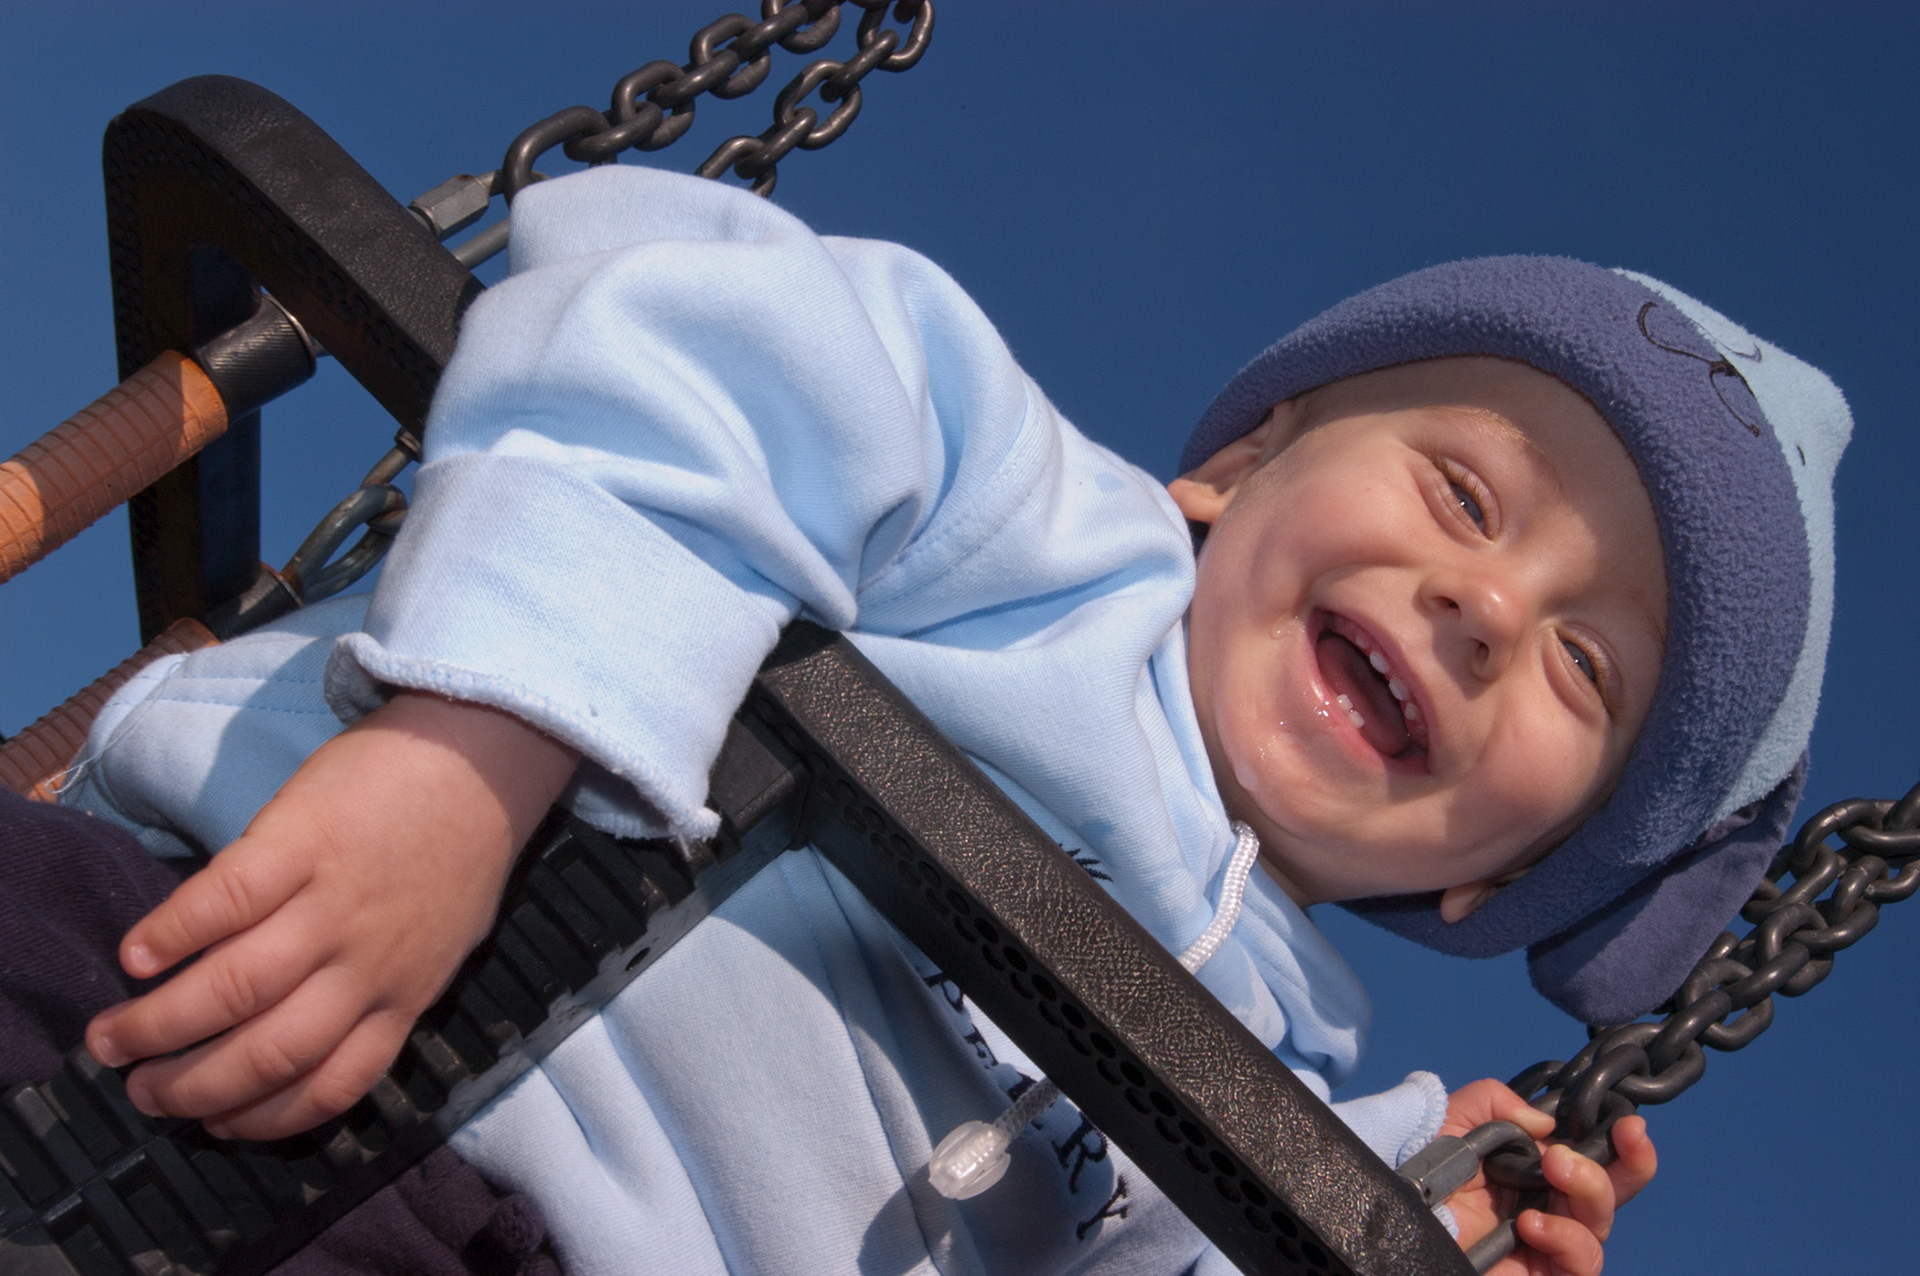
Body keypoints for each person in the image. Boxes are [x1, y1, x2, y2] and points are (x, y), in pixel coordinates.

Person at [60, 164, 1846, 1275]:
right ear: (1239, 465)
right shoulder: (1011, 509)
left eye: (1580, 672)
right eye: (1466, 494)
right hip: (222, 974)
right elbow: (701, 331)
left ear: (1505, 882)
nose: (1486, 609)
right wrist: (483, 739)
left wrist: (1413, 1228)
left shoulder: (1301, 1099)